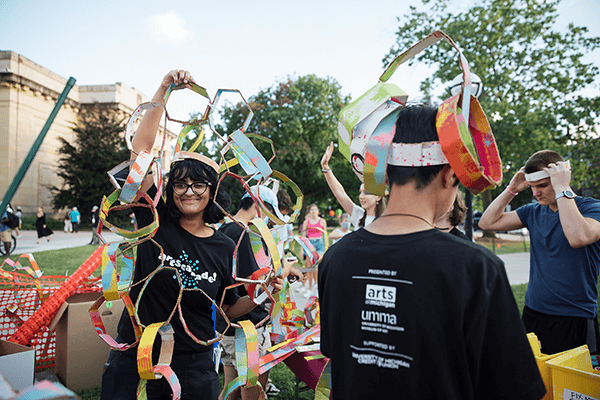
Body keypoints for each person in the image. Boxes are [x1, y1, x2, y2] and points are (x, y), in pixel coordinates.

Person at [318, 105, 546, 399]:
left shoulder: (335, 259)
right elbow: (515, 389)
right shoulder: (475, 267)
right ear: (450, 174)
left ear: (386, 173)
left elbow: (336, 354)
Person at [101, 70, 289, 400]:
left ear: (212, 191)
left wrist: (263, 294)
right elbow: (141, 153)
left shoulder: (224, 245)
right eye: (180, 183)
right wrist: (163, 90)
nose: (189, 191)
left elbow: (227, 310)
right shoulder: (154, 220)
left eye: (199, 184)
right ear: (169, 190)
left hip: (194, 367)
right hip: (137, 360)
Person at [479, 150, 600, 355]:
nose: (535, 193)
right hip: (533, 312)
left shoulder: (591, 208)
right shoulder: (533, 211)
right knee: (532, 381)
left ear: (560, 178)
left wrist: (562, 188)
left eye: (542, 185)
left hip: (574, 316)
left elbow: (579, 237)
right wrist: (511, 190)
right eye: (533, 186)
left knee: (570, 387)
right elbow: (486, 222)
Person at [216, 185, 292, 400]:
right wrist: (281, 274)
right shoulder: (246, 234)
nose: (268, 225)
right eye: (269, 218)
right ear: (260, 207)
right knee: (253, 392)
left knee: (229, 391)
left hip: (227, 326)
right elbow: (257, 285)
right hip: (248, 328)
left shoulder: (224, 229)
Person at [321, 141, 385, 229]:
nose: (361, 197)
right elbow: (341, 194)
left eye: (366, 192)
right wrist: (325, 167)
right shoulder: (359, 216)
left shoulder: (386, 222)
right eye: (360, 192)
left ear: (378, 197)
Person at [301, 203, 326, 298]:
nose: (313, 211)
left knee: (317, 268)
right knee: (309, 268)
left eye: (315, 209)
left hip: (319, 244)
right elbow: (303, 237)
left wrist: (326, 248)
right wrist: (303, 249)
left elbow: (325, 235)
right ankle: (309, 288)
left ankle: (317, 288)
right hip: (309, 244)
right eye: (311, 209)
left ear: (318, 211)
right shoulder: (306, 222)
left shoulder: (322, 221)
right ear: (309, 211)